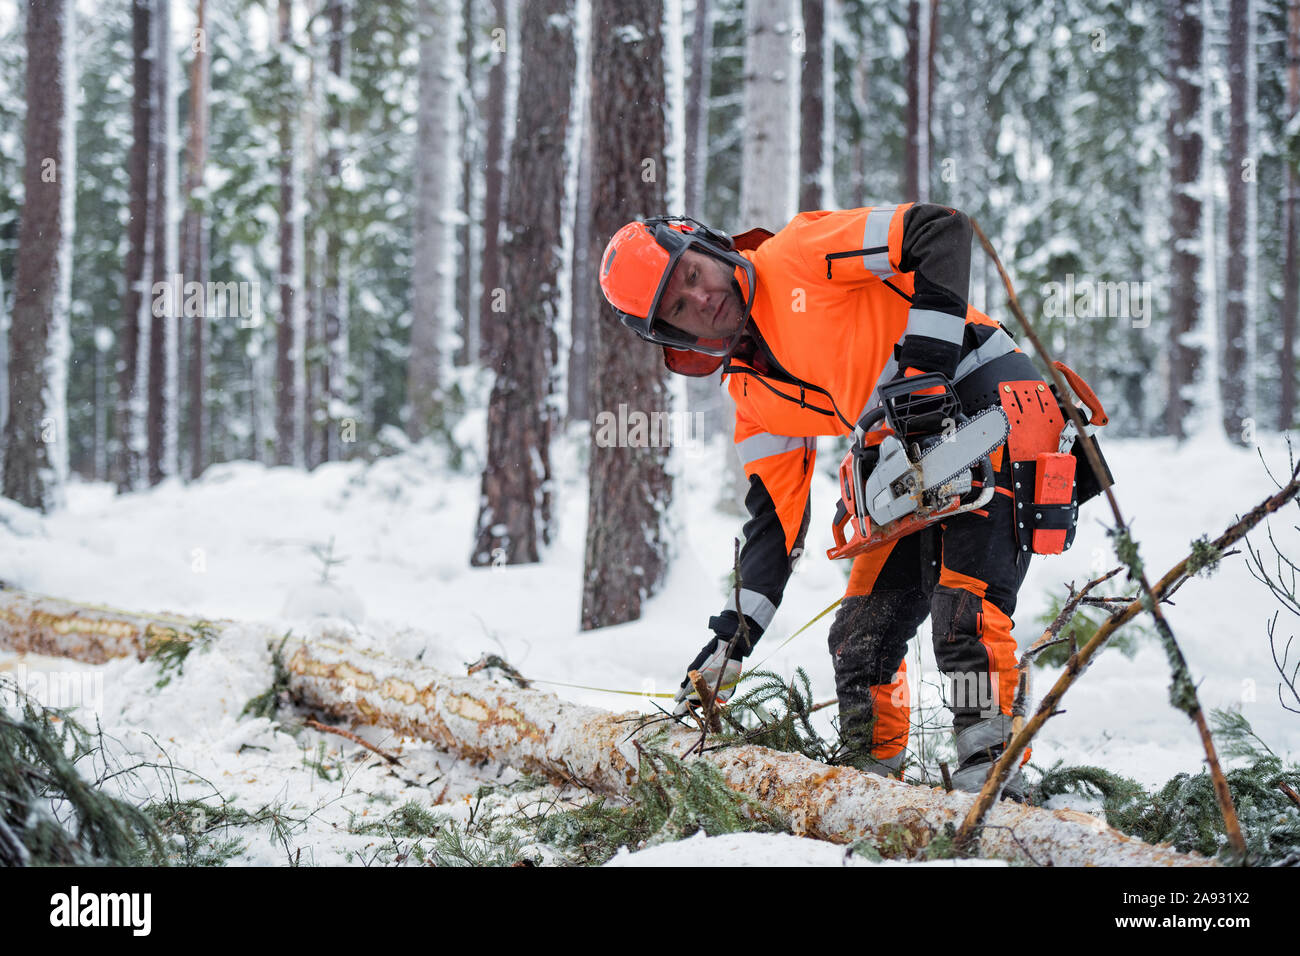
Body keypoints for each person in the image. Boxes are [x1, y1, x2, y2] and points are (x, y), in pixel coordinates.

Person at [597, 204, 1108, 801]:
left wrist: (924, 366)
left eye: (691, 275)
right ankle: (872, 789)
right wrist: (730, 641)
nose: (703, 298)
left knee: (964, 616)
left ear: (707, 248)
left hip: (993, 403)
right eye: (680, 307)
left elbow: (940, 231)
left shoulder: (801, 253)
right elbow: (774, 527)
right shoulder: (751, 394)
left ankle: (991, 775)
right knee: (860, 638)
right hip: (912, 463)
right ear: (675, 335)